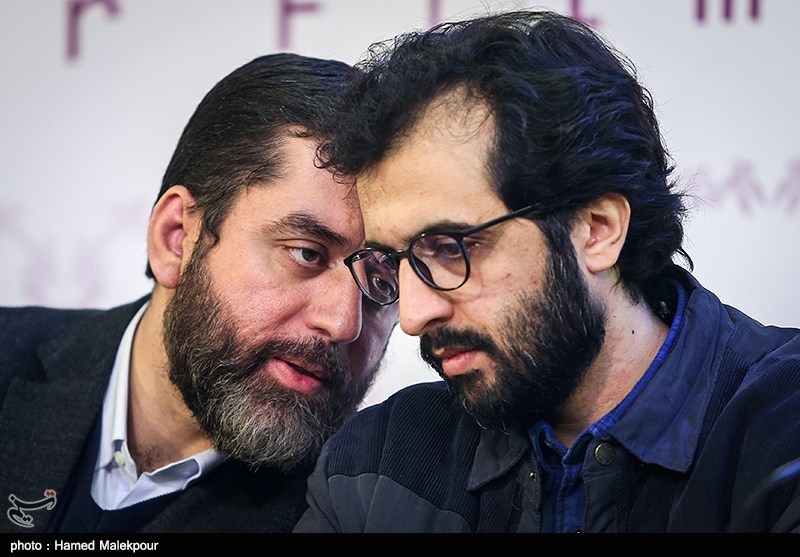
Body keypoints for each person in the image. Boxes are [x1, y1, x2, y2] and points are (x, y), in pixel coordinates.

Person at [293, 10, 800, 533]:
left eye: (448, 248)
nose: (414, 316)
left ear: (597, 229)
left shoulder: (784, 431)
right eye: (391, 263)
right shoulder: (374, 463)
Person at [0, 52, 397, 533]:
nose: (344, 323)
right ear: (175, 239)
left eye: (383, 282)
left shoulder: (353, 511)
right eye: (306, 253)